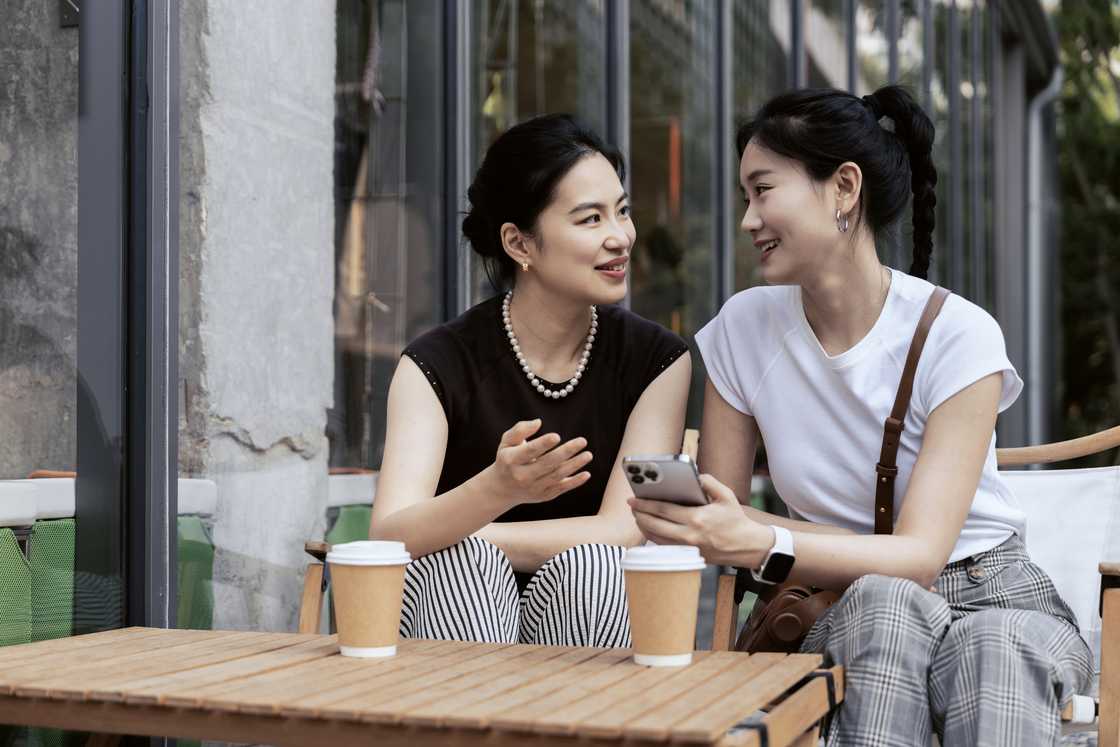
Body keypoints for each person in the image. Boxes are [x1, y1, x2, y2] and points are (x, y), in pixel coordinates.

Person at [628, 86, 1092, 745]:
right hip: (839, 602)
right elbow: (721, 511)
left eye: (763, 191)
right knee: (883, 602)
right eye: (745, 198)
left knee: (990, 646)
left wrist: (761, 536)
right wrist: (699, 521)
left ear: (844, 188)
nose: (748, 220)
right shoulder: (742, 331)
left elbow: (921, 554)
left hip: (995, 594)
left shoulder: (958, 334)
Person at [370, 113, 691, 647]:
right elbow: (389, 533)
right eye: (591, 219)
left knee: (594, 567)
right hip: (447, 617)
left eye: (623, 211)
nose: (621, 237)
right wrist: (495, 490)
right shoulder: (434, 364)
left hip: (592, 602)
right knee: (464, 566)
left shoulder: (659, 360)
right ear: (520, 245)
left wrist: (471, 531)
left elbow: (624, 530)